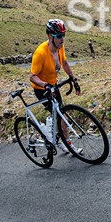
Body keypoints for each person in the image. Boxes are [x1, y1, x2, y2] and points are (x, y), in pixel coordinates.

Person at [29, 19, 81, 153]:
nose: (62, 39)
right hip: (41, 89)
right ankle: (68, 144)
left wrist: (73, 78)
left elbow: (64, 62)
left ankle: (58, 138)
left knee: (60, 114)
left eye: (63, 35)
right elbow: (32, 76)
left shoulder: (59, 47)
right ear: (50, 36)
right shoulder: (40, 53)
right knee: (61, 116)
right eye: (59, 36)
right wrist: (44, 85)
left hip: (53, 86)